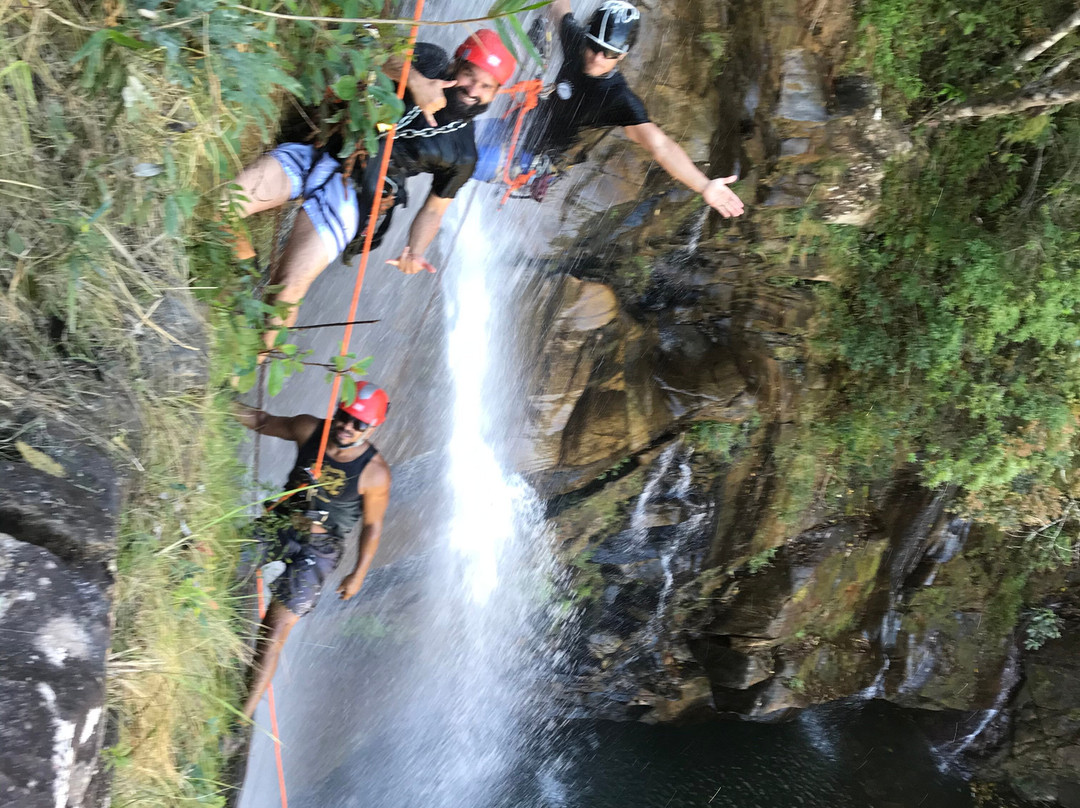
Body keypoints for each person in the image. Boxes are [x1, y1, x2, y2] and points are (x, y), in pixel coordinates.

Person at [224, 30, 517, 351]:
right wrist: (416, 82)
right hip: (322, 150)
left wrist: (415, 250)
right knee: (225, 207)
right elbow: (376, 58)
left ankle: (248, 368)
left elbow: (434, 209)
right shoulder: (430, 61)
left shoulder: (463, 154)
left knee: (287, 291)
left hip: (354, 195)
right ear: (456, 64)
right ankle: (244, 282)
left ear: (495, 94)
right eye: (469, 75)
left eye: (486, 86)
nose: (473, 89)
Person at [479, 0, 744, 217]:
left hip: (535, 161)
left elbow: (660, 146)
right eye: (594, 46)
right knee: (449, 131)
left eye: (609, 53)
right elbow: (559, 8)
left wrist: (704, 184)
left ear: (623, 56)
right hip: (514, 127)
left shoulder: (618, 99)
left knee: (473, 158)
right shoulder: (576, 42)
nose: (597, 57)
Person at [235, 381, 392, 719]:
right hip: (281, 521)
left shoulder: (374, 473)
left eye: (358, 424)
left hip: (320, 549)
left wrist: (358, 573)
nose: (347, 427)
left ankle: (238, 721)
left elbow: (372, 526)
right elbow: (263, 421)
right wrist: (219, 404)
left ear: (372, 428)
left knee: (273, 632)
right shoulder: (310, 430)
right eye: (344, 416)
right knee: (229, 562)